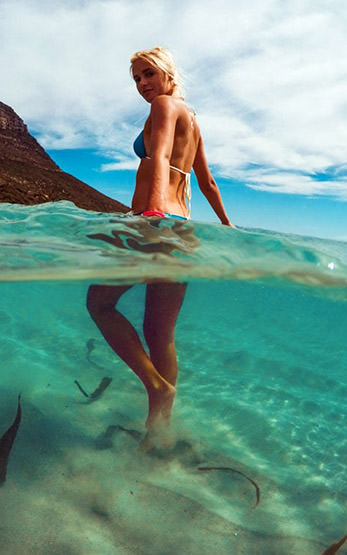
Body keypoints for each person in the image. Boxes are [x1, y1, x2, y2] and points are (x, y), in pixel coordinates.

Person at [86, 47, 232, 440]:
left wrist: (149, 215)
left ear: (169, 74)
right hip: (180, 226)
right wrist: (227, 225)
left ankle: (155, 385)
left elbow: (161, 154)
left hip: (156, 220)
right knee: (159, 333)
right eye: (136, 79)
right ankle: (159, 429)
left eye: (148, 74)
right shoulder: (194, 119)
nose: (142, 85)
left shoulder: (165, 105)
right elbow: (207, 181)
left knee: (99, 303)